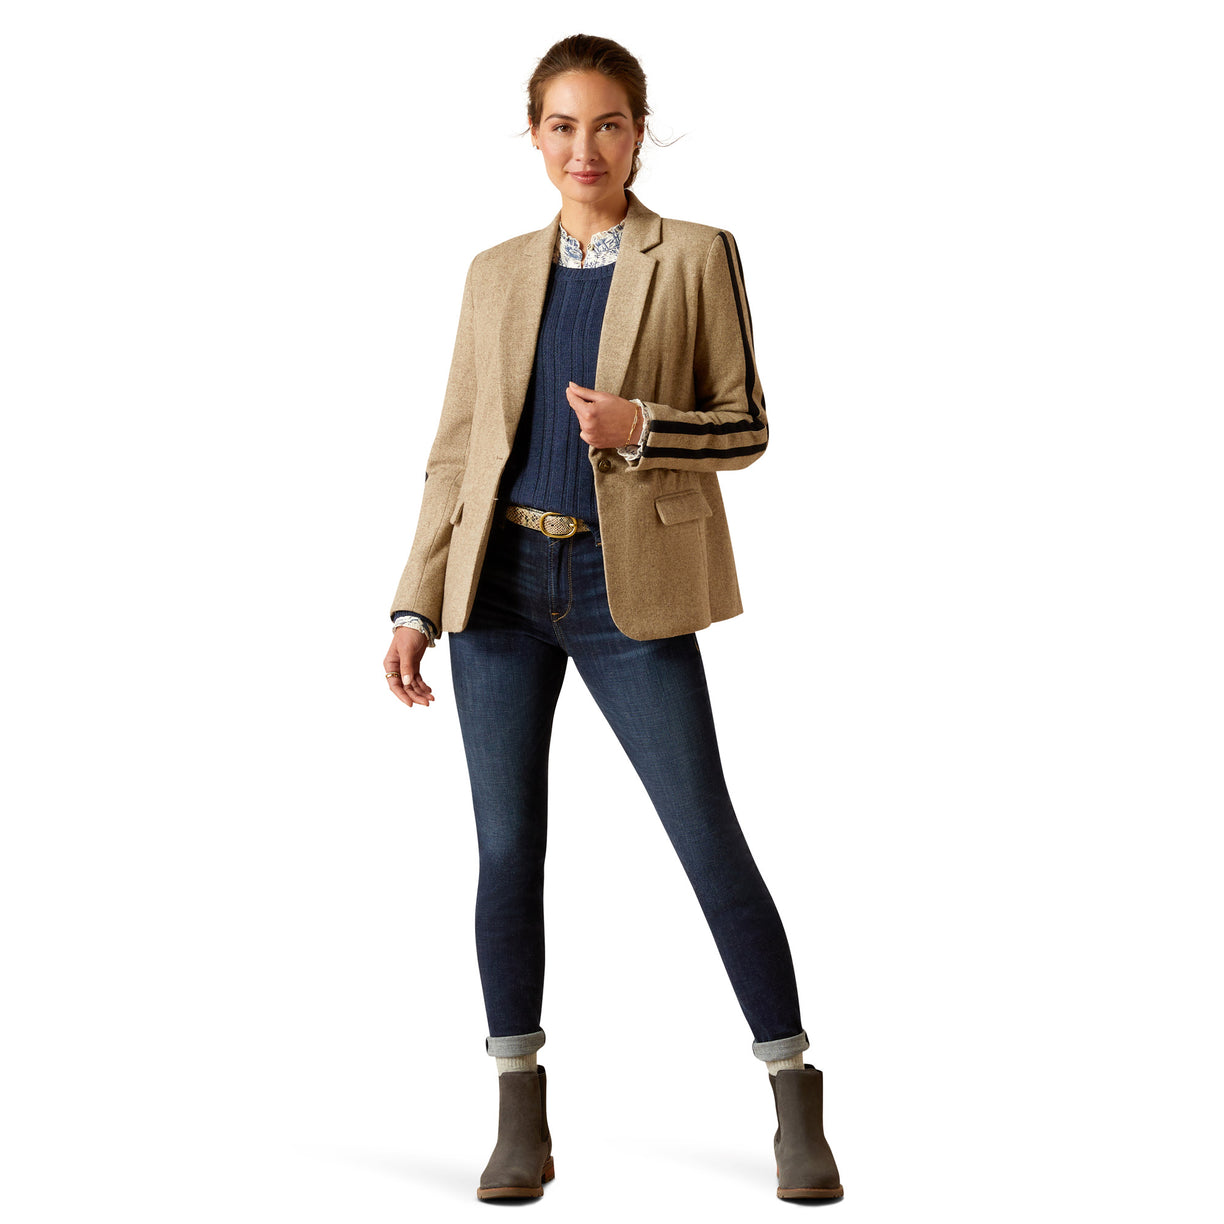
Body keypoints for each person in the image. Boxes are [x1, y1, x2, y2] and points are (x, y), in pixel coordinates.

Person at [383, 33, 843, 1203]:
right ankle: (518, 1114)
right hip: (496, 591)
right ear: (534, 135)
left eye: (607, 125)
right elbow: (455, 452)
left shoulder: (694, 255)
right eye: (562, 126)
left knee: (705, 834)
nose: (583, 149)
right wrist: (415, 602)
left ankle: (793, 1092)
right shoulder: (493, 272)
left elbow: (746, 425)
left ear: (639, 132)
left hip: (621, 588)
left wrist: (642, 428)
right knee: (506, 851)